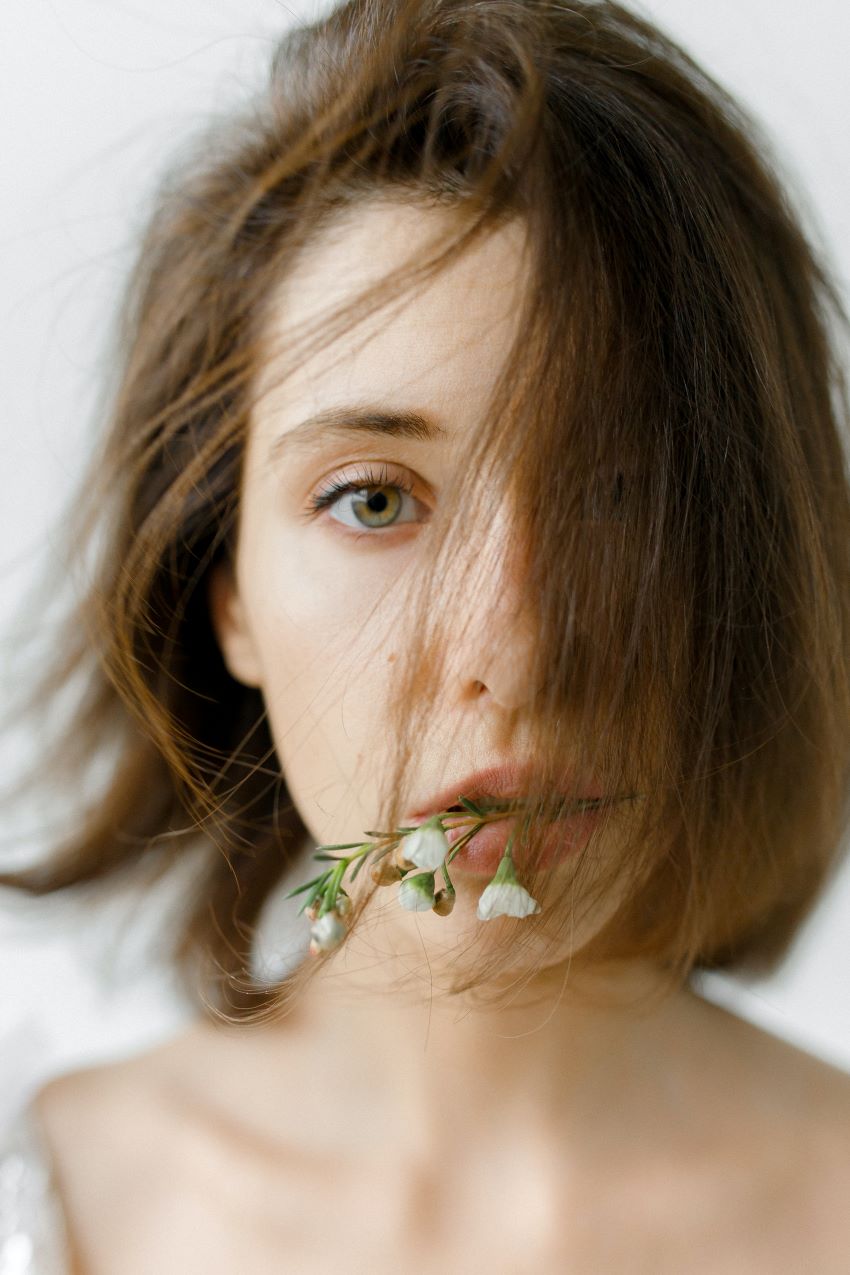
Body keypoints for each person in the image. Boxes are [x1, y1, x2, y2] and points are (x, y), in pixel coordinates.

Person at [1, 0, 849, 1269]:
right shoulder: (50, 1204)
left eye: (617, 497)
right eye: (375, 500)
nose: (510, 649)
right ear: (224, 593)